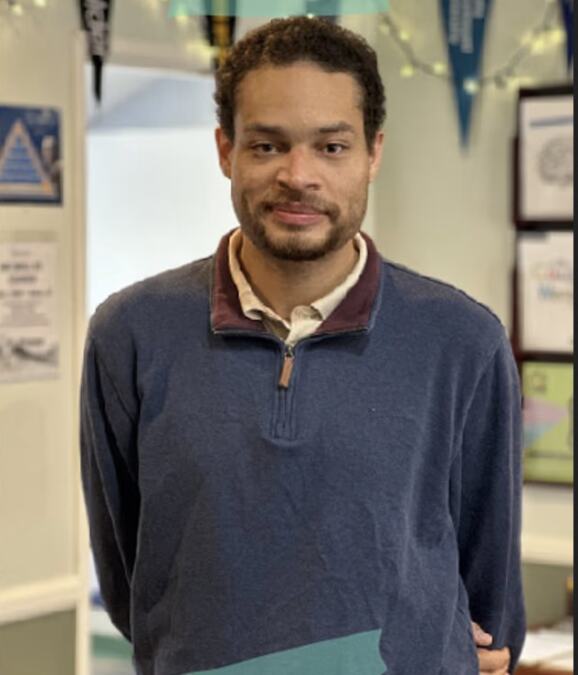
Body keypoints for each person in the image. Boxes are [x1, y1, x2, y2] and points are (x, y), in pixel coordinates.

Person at [80, 16, 526, 675]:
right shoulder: (130, 334)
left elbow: (491, 600)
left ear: (373, 153)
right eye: (267, 146)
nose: (298, 175)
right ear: (226, 150)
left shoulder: (463, 342)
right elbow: (134, 581)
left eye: (332, 147)